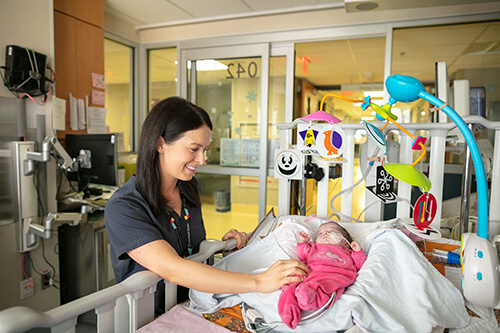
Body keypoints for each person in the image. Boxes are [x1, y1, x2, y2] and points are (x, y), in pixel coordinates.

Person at [104, 96, 309, 315]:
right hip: (148, 316)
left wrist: (225, 246)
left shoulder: (188, 188)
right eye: (194, 149)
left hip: (194, 303)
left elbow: (189, 249)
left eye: (205, 150)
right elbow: (174, 269)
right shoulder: (125, 207)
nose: (202, 160)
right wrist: (259, 282)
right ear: (160, 144)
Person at [277, 221, 366, 329]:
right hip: (310, 273)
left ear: (346, 242)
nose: (324, 234)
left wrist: (358, 252)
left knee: (323, 288)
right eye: (320, 234)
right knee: (290, 286)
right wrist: (303, 242)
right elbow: (303, 255)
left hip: (332, 276)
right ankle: (288, 311)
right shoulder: (314, 247)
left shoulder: (347, 252)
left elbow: (360, 265)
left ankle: (308, 299)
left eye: (331, 232)